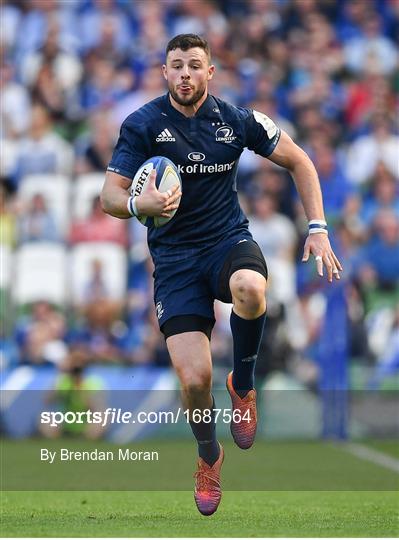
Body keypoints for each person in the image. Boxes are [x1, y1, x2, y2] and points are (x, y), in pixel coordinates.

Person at [101, 34, 342, 516]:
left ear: (211, 72)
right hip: (174, 262)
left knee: (252, 288)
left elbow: (299, 160)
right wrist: (136, 203)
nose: (185, 73)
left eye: (195, 65)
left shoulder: (237, 121)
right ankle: (209, 455)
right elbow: (109, 196)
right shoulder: (142, 124)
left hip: (226, 242)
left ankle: (245, 384)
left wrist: (317, 228)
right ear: (164, 72)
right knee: (194, 380)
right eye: (176, 65)